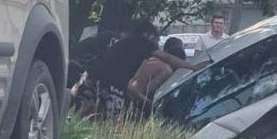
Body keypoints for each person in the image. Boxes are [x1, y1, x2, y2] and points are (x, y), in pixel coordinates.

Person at [72, 20, 206, 118]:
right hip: (114, 86)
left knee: (82, 110)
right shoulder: (144, 44)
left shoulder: (121, 41)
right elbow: (168, 58)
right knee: (108, 119)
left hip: (92, 76)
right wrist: (192, 67)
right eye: (154, 38)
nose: (154, 42)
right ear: (147, 34)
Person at [127, 37, 188, 115]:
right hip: (137, 100)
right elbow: (150, 90)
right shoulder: (167, 70)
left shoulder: (152, 60)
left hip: (127, 96)